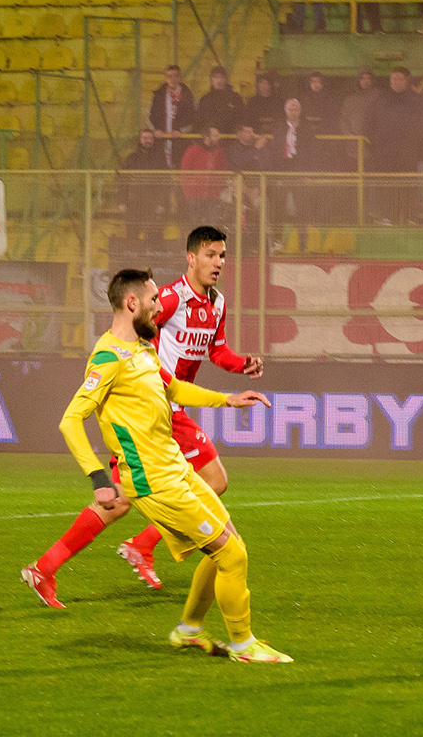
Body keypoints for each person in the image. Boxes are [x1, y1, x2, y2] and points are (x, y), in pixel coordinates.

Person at [20, 268, 290, 662]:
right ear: (132, 304)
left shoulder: (144, 349)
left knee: (231, 549)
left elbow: (175, 389)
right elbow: (70, 419)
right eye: (151, 301)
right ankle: (244, 645)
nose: (157, 306)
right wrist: (98, 477)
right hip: (155, 482)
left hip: (176, 468)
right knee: (232, 556)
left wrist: (227, 399)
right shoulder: (108, 357)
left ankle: (189, 630)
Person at [111, 227, 264, 582]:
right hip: (158, 403)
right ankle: (141, 545)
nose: (218, 263)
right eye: (211, 255)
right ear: (191, 258)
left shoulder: (217, 303)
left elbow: (217, 351)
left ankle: (52, 565)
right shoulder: (171, 297)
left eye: (223, 256)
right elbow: (133, 323)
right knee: (207, 481)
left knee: (128, 496)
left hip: (174, 405)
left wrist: (242, 363)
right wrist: (132, 368)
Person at [367, 67, 423, 223]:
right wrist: (373, 148)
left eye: (400, 79)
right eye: (393, 80)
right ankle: (387, 217)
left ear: (406, 80)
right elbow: (368, 125)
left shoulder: (417, 101)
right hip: (385, 154)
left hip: (409, 154)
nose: (396, 82)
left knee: (408, 187)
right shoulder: (380, 100)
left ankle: (409, 217)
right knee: (386, 186)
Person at [179, 126, 229, 227]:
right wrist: (189, 194)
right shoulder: (193, 150)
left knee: (211, 227)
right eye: (215, 135)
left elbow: (223, 173)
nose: (218, 138)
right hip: (195, 197)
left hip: (213, 197)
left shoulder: (220, 153)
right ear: (206, 137)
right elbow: (185, 173)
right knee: (195, 227)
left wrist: (218, 192)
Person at [147, 64, 195, 168]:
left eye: (176, 76)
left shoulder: (187, 95)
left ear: (180, 77)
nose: (173, 79)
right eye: (170, 76)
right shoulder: (158, 95)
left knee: (179, 166)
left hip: (180, 141)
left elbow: (193, 118)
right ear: (166, 78)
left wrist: (181, 131)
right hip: (162, 140)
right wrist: (155, 130)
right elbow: (150, 116)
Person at [194, 66, 244, 136]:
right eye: (216, 77)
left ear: (225, 79)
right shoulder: (205, 99)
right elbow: (199, 122)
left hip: (231, 140)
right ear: (211, 79)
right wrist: (208, 130)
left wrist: (238, 129)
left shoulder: (236, 98)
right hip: (211, 141)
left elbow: (242, 118)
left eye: (221, 77)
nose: (219, 80)